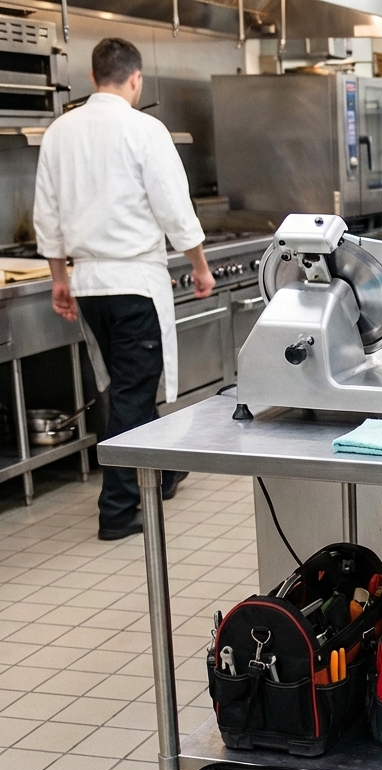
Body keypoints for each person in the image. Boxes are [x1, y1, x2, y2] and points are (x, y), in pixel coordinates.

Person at [34, 37, 212, 541]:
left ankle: (161, 471)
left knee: (128, 383)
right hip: (133, 280)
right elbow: (174, 207)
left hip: (90, 282)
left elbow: (45, 214)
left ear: (93, 78)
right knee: (134, 389)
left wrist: (59, 279)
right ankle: (117, 509)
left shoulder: (60, 131)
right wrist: (199, 266)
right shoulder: (143, 128)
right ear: (136, 79)